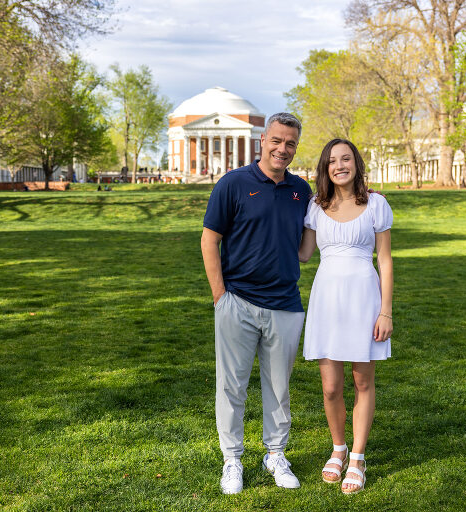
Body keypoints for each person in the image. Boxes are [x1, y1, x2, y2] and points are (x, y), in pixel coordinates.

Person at [201, 112, 312, 495]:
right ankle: (232, 459)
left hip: (285, 303)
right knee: (231, 386)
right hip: (238, 302)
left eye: (291, 143)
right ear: (262, 141)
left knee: (278, 387)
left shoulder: (302, 191)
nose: (283, 149)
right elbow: (209, 239)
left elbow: (305, 252)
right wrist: (220, 296)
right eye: (277, 141)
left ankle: (275, 454)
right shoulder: (233, 184)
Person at [298, 138, 393, 495]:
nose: (340, 165)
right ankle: (337, 448)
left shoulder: (376, 204)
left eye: (346, 159)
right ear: (325, 168)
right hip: (327, 300)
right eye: (332, 161)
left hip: (364, 299)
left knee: (362, 382)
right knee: (331, 386)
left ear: (356, 163)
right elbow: (304, 254)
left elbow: (384, 260)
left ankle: (357, 456)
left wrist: (385, 311)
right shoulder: (315, 207)